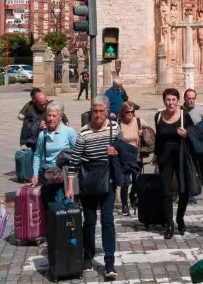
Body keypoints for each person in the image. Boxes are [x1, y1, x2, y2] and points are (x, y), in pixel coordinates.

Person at [65, 97, 124, 280]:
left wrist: (117, 151)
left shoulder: (114, 128)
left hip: (108, 181)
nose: (97, 115)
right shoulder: (83, 132)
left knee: (107, 221)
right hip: (88, 181)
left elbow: (124, 150)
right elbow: (74, 161)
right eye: (94, 111)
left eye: (100, 111)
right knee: (89, 222)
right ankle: (88, 256)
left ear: (106, 111)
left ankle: (109, 263)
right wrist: (69, 187)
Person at [152, 88, 197, 239]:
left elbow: (194, 134)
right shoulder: (159, 116)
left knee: (184, 191)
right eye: (168, 100)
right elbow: (158, 137)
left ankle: (180, 218)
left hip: (182, 157)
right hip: (165, 159)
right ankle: (170, 224)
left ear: (178, 101)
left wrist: (186, 134)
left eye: (173, 100)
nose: (171, 103)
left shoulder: (184, 116)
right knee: (166, 192)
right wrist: (155, 155)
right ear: (164, 101)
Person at [29, 101, 77, 203]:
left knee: (62, 207)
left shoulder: (69, 132)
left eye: (54, 116)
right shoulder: (43, 134)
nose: (51, 118)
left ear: (60, 117)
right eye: (49, 115)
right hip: (48, 175)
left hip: (63, 175)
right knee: (48, 207)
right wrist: (35, 174)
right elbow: (37, 155)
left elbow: (77, 152)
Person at [116, 100, 148, 214]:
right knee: (125, 181)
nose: (131, 114)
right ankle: (125, 205)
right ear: (123, 112)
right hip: (124, 156)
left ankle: (132, 196)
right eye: (128, 112)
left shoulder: (140, 121)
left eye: (132, 112)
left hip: (137, 154)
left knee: (136, 180)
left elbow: (150, 135)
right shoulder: (118, 124)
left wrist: (143, 134)